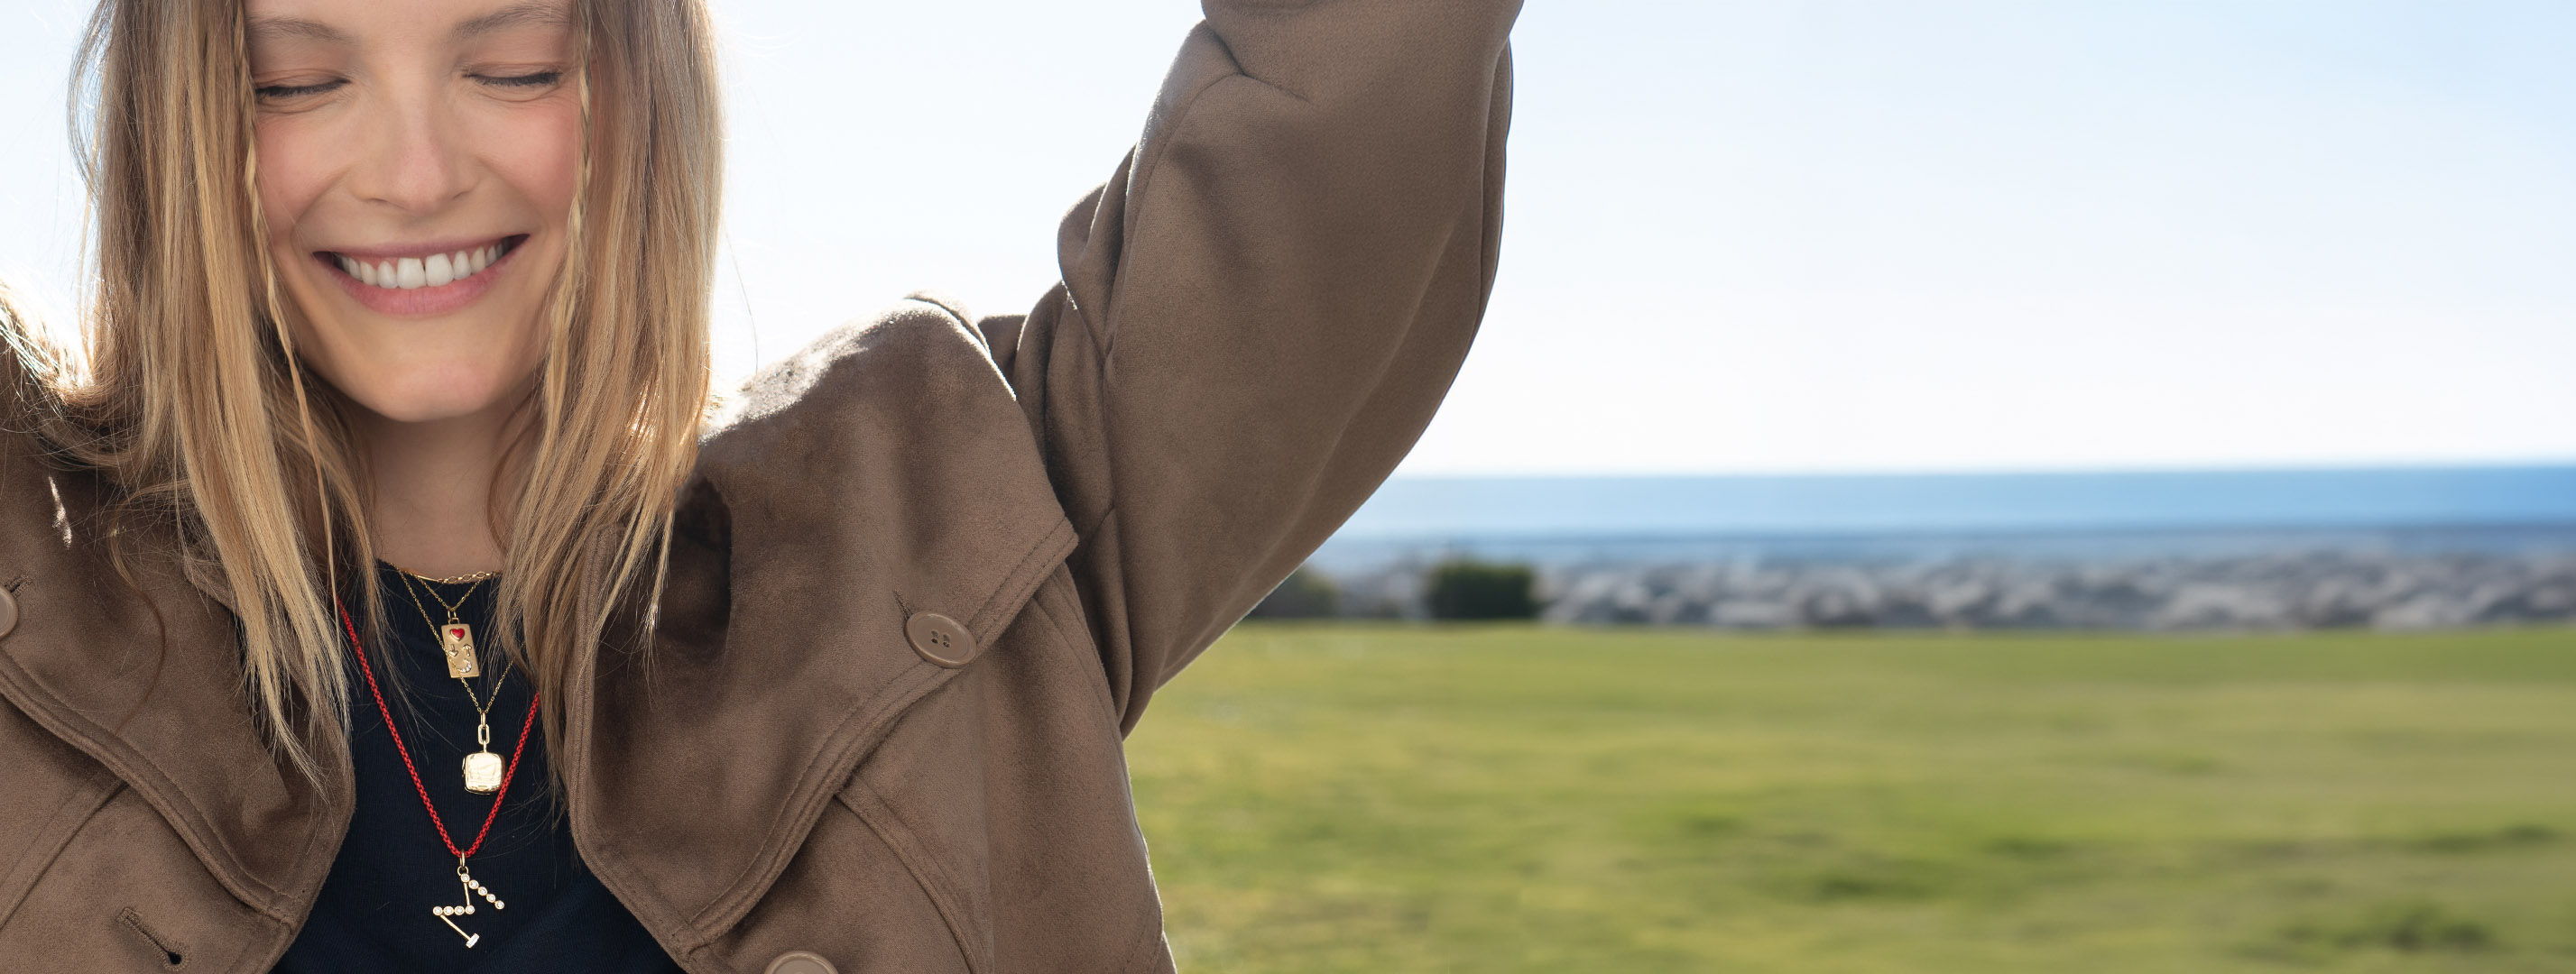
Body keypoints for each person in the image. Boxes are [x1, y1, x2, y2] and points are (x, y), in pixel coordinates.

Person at [0, 0, 1517, 969]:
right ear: (179, 121)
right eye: (295, 78)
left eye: (512, 62)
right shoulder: (34, 546)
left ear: (639, 90)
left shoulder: (953, 509)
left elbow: (1352, 100)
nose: (410, 171)